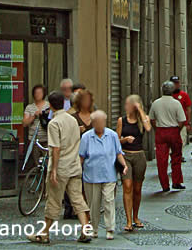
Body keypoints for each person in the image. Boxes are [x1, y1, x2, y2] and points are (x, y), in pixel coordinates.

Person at [26, 90, 91, 245]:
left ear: (50, 105)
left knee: (53, 200)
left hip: (61, 166)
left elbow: (55, 148)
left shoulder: (54, 123)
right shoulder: (73, 120)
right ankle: (85, 229)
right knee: (77, 198)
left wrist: (53, 169)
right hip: (74, 165)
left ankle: (44, 233)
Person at [79, 110, 127, 240]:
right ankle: (94, 229)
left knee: (109, 201)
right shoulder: (86, 137)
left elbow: (118, 153)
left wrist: (124, 165)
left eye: (102, 122)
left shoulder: (112, 135)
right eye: (97, 122)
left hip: (109, 174)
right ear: (93, 123)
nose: (100, 125)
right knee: (93, 205)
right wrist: (77, 172)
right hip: (91, 176)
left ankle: (109, 229)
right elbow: (81, 157)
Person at [117, 94, 152, 231]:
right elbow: (116, 140)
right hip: (125, 155)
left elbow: (148, 128)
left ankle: (136, 216)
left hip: (139, 156)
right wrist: (125, 140)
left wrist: (140, 110)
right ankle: (128, 220)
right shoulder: (122, 120)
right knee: (127, 185)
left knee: (137, 189)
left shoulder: (142, 120)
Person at [149, 81, 187, 191]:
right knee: (176, 157)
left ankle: (164, 185)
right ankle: (177, 181)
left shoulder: (156, 103)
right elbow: (182, 121)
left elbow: (152, 119)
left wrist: (157, 128)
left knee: (161, 160)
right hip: (174, 131)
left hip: (161, 132)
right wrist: (176, 129)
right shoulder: (176, 103)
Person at [23, 84, 49, 166]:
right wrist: (34, 116)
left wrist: (44, 114)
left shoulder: (48, 106)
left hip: (47, 139)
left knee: (48, 163)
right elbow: (24, 123)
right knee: (37, 164)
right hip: (34, 140)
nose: (37, 95)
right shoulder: (29, 107)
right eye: (36, 93)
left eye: (40, 93)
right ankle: (38, 178)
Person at [171, 76, 192, 149]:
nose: (176, 85)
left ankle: (179, 155)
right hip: (171, 123)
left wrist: (188, 122)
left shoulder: (184, 95)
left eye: (177, 83)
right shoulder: (169, 95)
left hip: (182, 123)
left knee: (182, 141)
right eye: (174, 83)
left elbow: (188, 109)